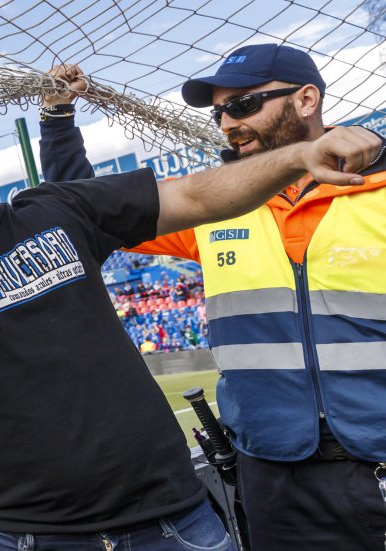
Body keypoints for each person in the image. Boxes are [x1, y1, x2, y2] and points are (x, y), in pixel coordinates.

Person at [0, 59, 380, 548]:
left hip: (175, 522)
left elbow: (194, 193)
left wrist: (298, 155)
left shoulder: (58, 208)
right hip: (29, 537)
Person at [39, 44, 386, 550]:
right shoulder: (211, 205)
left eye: (244, 106)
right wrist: (56, 118)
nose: (226, 123)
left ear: (307, 100)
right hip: (271, 477)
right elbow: (93, 207)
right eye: (220, 111)